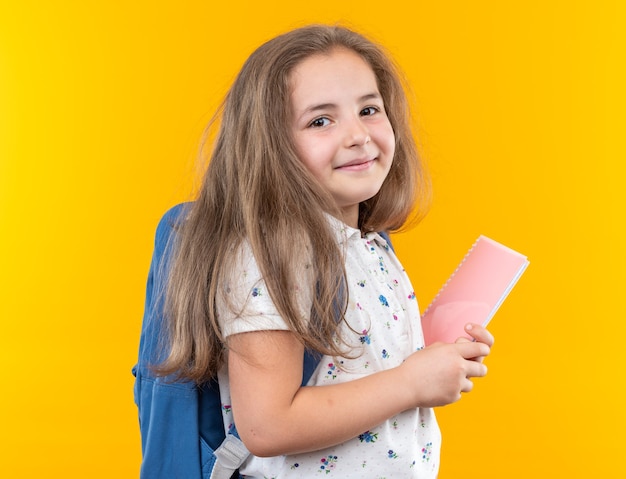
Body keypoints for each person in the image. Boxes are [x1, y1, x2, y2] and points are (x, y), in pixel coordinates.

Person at [145, 24, 493, 477]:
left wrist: (435, 360)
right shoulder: (271, 256)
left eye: (369, 109)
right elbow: (269, 424)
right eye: (320, 121)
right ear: (271, 147)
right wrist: (412, 382)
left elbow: (352, 370)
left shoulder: (365, 244)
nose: (358, 135)